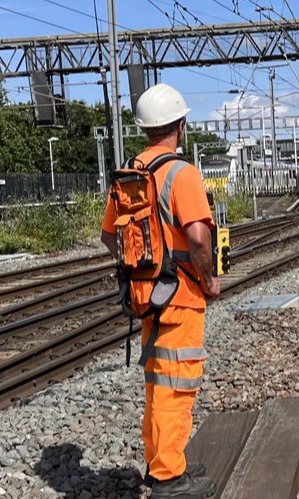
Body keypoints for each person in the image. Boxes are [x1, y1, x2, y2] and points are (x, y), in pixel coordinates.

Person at [99, 83, 220, 498]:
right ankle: (169, 477)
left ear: (146, 128)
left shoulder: (130, 174)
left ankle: (162, 462)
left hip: (145, 294)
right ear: (180, 126)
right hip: (180, 295)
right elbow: (200, 237)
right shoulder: (181, 173)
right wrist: (207, 279)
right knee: (177, 381)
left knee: (157, 379)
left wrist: (139, 269)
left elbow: (108, 236)